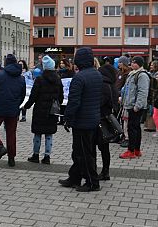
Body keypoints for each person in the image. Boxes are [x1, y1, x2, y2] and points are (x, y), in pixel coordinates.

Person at [58, 47, 103, 191]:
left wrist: (67, 118)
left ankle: (92, 182)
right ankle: (75, 177)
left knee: (83, 153)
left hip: (82, 121)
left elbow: (74, 102)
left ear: (79, 61)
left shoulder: (79, 77)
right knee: (81, 151)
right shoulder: (97, 74)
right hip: (93, 119)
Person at [0, 54, 26, 167]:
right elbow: (22, 95)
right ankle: (11, 158)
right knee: (11, 133)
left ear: (6, 63)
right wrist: (16, 105)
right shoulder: (21, 78)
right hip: (13, 110)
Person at [23, 55, 63, 164]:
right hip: (52, 111)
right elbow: (61, 97)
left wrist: (27, 106)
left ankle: (35, 155)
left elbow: (33, 96)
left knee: (37, 133)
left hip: (40, 110)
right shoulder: (58, 80)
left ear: (44, 67)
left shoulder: (39, 79)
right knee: (49, 134)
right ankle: (47, 157)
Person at [119, 57, 150, 159]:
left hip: (135, 106)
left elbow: (143, 92)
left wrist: (137, 106)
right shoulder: (133, 73)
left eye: (134, 62)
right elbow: (127, 89)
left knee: (132, 128)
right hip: (130, 104)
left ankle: (131, 150)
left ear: (139, 64)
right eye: (132, 62)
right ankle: (136, 150)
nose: (132, 64)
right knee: (135, 128)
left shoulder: (142, 75)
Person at [96, 65, 117, 181]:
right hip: (107, 119)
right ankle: (105, 171)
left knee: (101, 147)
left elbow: (100, 102)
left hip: (101, 119)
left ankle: (104, 172)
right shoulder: (112, 85)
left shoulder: (104, 85)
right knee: (105, 148)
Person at [147, 61, 158, 133]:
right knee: (151, 111)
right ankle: (151, 126)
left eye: (152, 65)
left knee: (153, 112)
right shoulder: (151, 73)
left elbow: (157, 83)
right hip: (152, 94)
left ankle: (155, 128)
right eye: (150, 65)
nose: (151, 66)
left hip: (155, 95)